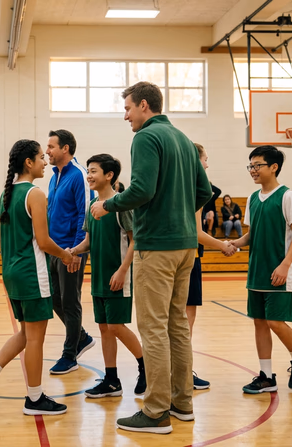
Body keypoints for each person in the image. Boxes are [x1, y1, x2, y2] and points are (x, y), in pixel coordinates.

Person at [90, 82, 212, 434]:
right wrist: (177, 212)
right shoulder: (184, 140)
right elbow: (204, 190)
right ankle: (182, 403)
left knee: (154, 328)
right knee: (176, 326)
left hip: (156, 247)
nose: (125, 115)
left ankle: (157, 411)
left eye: (127, 108)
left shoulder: (145, 137)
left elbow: (141, 190)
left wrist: (106, 206)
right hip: (186, 246)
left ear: (144, 105)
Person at [0, 139, 75, 416]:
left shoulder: (7, 194)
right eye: (41, 157)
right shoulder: (35, 194)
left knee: (27, 333)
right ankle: (35, 398)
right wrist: (66, 255)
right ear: (29, 162)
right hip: (32, 272)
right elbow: (43, 241)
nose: (45, 161)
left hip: (12, 273)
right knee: (35, 339)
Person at [229, 146, 292, 394]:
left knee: (276, 322)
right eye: (250, 166)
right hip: (257, 271)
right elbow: (252, 235)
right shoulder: (253, 198)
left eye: (257, 165)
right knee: (260, 323)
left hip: (279, 271)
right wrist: (233, 243)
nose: (253, 170)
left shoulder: (287, 196)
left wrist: (286, 265)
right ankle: (266, 376)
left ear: (273, 167)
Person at [67, 154, 146, 398]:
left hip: (118, 278)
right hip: (99, 277)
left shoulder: (122, 205)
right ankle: (111, 380)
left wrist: (123, 270)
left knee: (116, 326)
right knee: (104, 329)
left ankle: (146, 366)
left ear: (109, 175)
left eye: (93, 171)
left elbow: (136, 241)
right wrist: (72, 251)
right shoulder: (93, 207)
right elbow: (89, 241)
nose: (88, 176)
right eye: (88, 171)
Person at [45, 129, 96, 375]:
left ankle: (70, 355)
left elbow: (83, 214)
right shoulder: (54, 176)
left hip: (71, 249)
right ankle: (82, 337)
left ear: (65, 148)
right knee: (54, 298)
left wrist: (75, 251)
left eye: (51, 146)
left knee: (70, 301)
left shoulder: (79, 176)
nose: (47, 151)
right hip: (53, 249)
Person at [188, 143, 238, 391]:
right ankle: (184, 373)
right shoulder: (196, 190)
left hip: (164, 258)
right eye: (205, 160)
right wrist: (223, 245)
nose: (207, 165)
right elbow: (197, 233)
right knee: (185, 321)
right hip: (188, 259)